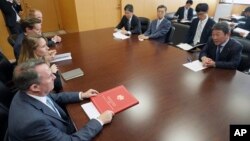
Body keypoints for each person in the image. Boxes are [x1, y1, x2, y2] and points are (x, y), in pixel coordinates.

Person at [7, 58, 114, 141]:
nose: (54, 77)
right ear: (35, 87)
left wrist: (82, 95)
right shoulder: (34, 123)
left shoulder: (27, 91)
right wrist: (99, 121)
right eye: (49, 76)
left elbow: (54, 97)